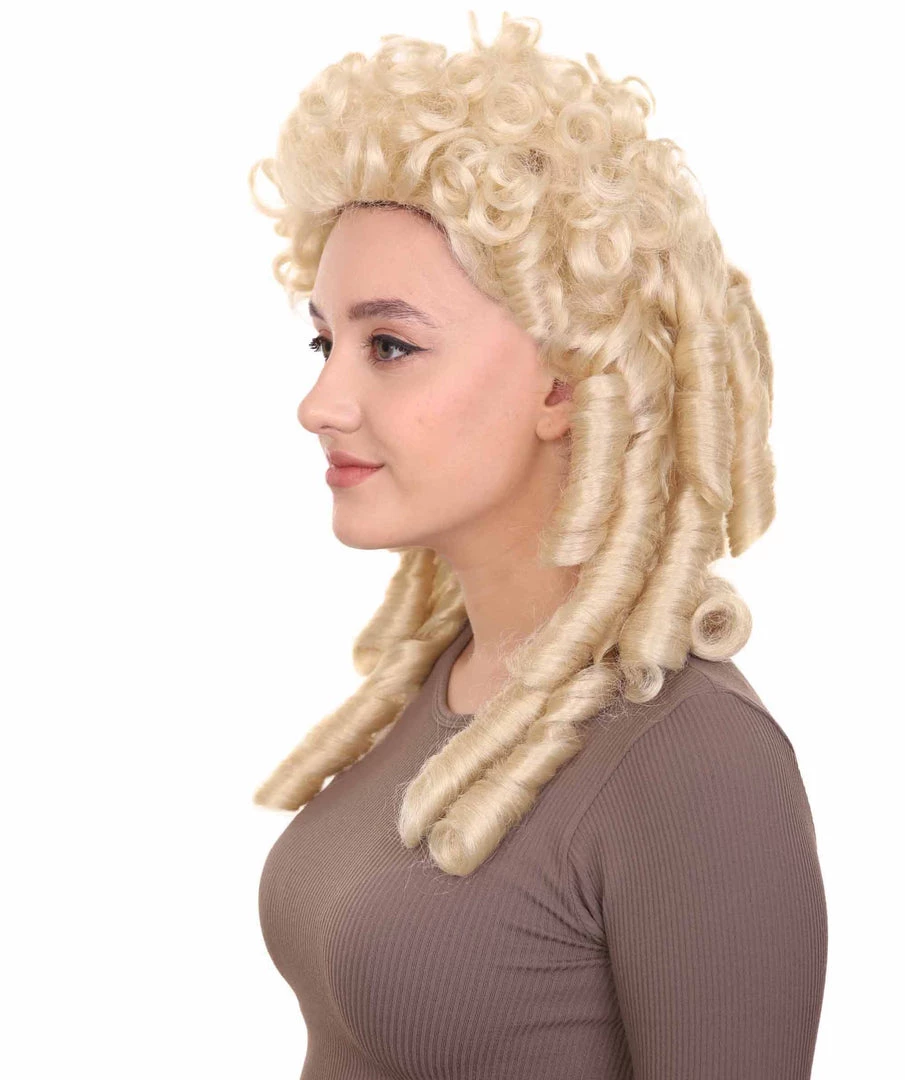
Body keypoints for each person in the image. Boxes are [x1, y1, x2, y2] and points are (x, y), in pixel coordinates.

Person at [248, 12, 828, 1078]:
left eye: (389, 345)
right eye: (324, 341)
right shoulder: (447, 677)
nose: (319, 402)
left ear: (564, 382)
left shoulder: (692, 759)